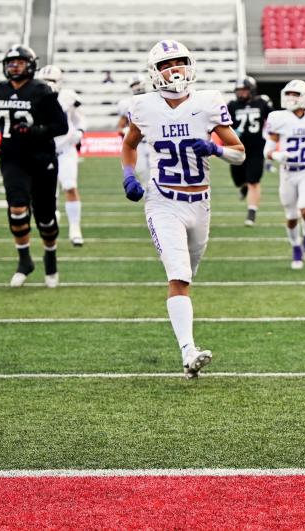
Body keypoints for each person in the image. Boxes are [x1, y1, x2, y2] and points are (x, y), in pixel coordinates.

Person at [121, 40, 245, 378]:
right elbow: (129, 144)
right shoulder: (144, 106)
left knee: (189, 274)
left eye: (179, 62)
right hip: (163, 201)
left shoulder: (208, 102)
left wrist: (214, 149)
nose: (174, 69)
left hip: (200, 202)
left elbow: (240, 152)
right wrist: (128, 173)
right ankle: (188, 351)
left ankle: (189, 355)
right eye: (166, 64)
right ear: (155, 72)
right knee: (178, 276)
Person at [0, 45, 68, 288]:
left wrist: (35, 131)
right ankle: (24, 261)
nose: (13, 66)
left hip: (41, 158)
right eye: (10, 63)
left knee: (45, 218)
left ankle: (50, 257)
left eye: (19, 62)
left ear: (30, 65)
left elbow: (60, 126)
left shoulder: (42, 90)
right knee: (17, 208)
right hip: (12, 158)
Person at [264, 79, 305, 270]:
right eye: (288, 94)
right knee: (292, 216)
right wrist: (277, 154)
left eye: (295, 95)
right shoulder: (278, 118)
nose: (290, 98)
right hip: (287, 173)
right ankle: (296, 247)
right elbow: (267, 149)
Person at [39, 65, 87, 247]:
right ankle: (54, 218)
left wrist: (80, 131)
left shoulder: (68, 96)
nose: (48, 85)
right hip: (44, 151)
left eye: (51, 81)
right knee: (47, 193)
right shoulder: (34, 96)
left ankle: (75, 228)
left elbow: (80, 118)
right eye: (45, 82)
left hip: (65, 150)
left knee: (70, 186)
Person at [227, 76, 273, 226]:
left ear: (251, 90)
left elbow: (273, 119)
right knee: (239, 181)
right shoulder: (232, 105)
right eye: (239, 91)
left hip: (256, 148)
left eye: (244, 90)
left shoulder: (262, 102)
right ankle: (243, 187)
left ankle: (251, 213)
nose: (241, 93)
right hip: (237, 148)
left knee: (254, 181)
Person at [117, 74, 151, 180]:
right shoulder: (126, 103)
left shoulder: (155, 99)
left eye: (137, 83)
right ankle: (149, 195)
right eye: (133, 85)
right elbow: (121, 126)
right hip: (138, 144)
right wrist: (125, 130)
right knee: (142, 172)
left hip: (153, 141)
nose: (136, 87)